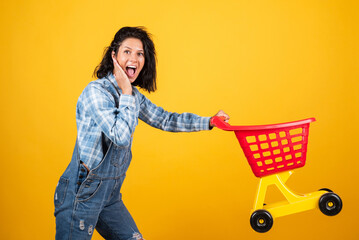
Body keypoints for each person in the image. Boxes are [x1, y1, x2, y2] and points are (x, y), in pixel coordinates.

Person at [54, 26, 230, 240]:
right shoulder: (96, 92)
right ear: (114, 56)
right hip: (81, 195)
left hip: (109, 197)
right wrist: (127, 92)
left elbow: (165, 119)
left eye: (140, 54)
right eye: (127, 51)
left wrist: (210, 121)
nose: (134, 59)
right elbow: (119, 136)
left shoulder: (134, 97)